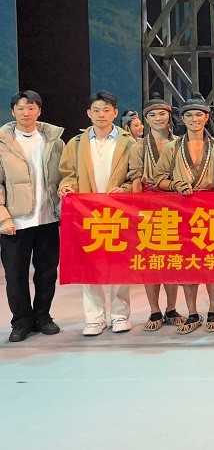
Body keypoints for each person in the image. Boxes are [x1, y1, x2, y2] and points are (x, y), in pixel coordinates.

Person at [58, 91, 135, 336]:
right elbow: (67, 173)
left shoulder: (128, 142)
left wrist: (124, 189)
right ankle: (94, 317)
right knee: (89, 263)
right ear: (88, 113)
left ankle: (120, 315)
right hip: (86, 213)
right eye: (97, 110)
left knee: (120, 264)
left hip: (118, 212)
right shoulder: (76, 143)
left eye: (106, 110)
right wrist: (67, 187)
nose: (101, 114)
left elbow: (135, 175)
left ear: (115, 113)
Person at [153, 93, 214, 335]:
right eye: (189, 115)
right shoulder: (172, 147)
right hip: (182, 210)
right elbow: (158, 179)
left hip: (212, 211)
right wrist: (175, 184)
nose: (194, 119)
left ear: (207, 117)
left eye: (199, 115)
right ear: (182, 119)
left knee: (212, 262)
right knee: (188, 263)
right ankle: (193, 312)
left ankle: (213, 311)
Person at [0, 91, 64, 342]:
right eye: (20, 108)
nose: (25, 113)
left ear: (39, 111)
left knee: (47, 273)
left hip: (47, 218)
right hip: (15, 221)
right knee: (15, 275)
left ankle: (42, 316)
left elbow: (65, 176)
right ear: (13, 112)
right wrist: (4, 218)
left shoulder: (54, 141)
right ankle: (21, 321)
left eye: (31, 108)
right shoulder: (3, 142)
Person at [126, 93, 184, 331]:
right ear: (146, 119)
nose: (158, 118)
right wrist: (138, 210)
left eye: (162, 114)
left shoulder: (180, 142)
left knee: (172, 259)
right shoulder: (138, 146)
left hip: (176, 204)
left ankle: (171, 308)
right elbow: (135, 179)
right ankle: (154, 310)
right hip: (149, 205)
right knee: (150, 261)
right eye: (152, 115)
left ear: (169, 116)